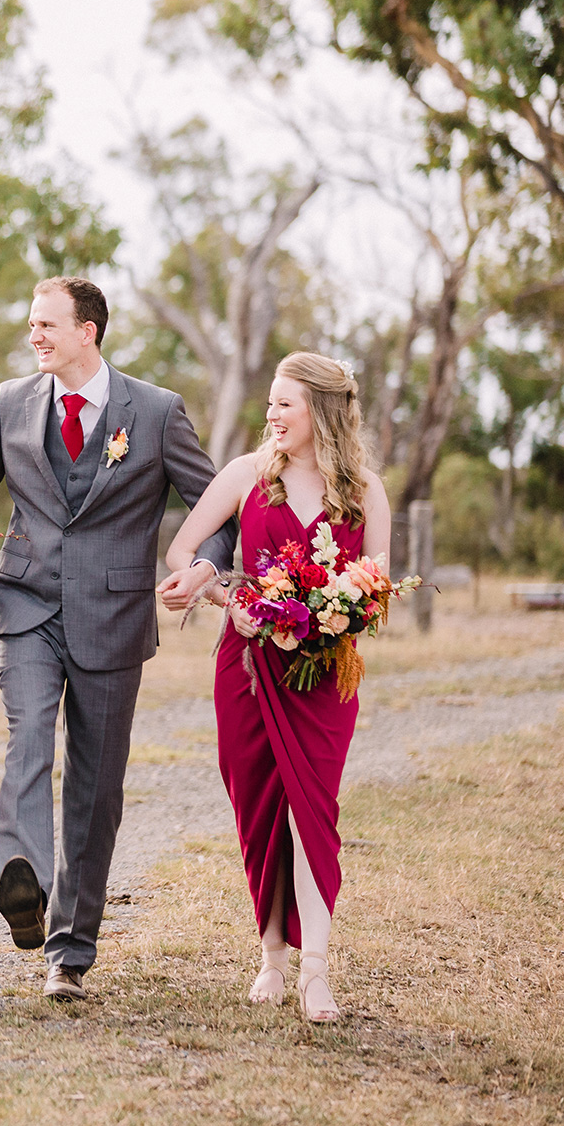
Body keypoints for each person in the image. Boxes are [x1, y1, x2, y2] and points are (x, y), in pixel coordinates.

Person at [0, 276, 235, 1000]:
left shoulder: (157, 411)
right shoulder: (9, 402)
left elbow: (218, 509)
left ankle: (70, 951)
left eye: (48, 324)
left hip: (115, 616)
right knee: (27, 735)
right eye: (30, 323)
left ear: (90, 330)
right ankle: (24, 875)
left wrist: (204, 566)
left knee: (96, 785)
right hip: (24, 602)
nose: (35, 336)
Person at [162, 353, 390, 1024]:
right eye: (269, 403)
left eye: (285, 404)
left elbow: (377, 587)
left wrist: (338, 609)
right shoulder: (245, 475)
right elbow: (184, 551)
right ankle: (271, 957)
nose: (273, 415)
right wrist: (219, 590)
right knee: (260, 804)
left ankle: (316, 970)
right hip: (249, 665)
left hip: (324, 673)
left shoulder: (364, 489)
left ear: (319, 410)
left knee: (311, 809)